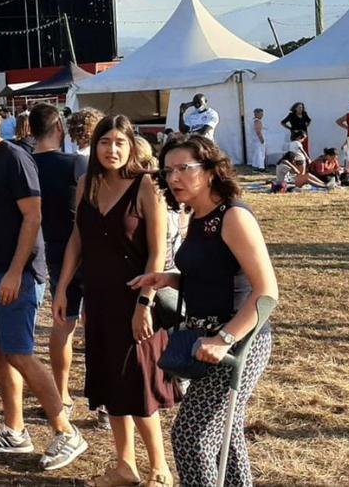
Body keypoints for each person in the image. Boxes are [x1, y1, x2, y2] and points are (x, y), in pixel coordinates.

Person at [131, 135, 279, 487]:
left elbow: (266, 293)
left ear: (211, 171)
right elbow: (214, 274)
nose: (174, 178)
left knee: (191, 437)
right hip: (204, 340)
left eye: (184, 168)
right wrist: (168, 278)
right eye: (168, 170)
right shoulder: (198, 216)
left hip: (239, 341)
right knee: (226, 436)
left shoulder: (233, 216)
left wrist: (224, 339)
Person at [0, 94, 87, 471]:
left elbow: (33, 219)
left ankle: (67, 432)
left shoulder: (16, 159)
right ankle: (14, 430)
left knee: (19, 352)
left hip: (19, 272)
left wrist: (16, 272)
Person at [53, 115, 179, 487]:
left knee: (138, 383)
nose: (112, 150)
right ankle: (125, 465)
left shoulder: (146, 186)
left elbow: (158, 253)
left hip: (136, 298)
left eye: (119, 143)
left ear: (130, 146)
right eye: (105, 142)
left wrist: (144, 302)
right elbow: (77, 238)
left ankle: (159, 469)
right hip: (98, 295)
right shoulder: (85, 184)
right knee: (110, 382)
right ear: (95, 146)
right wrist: (62, 288)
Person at [27, 104, 88, 426]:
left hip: (48, 247)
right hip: (84, 248)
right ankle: (102, 398)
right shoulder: (76, 163)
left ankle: (61, 394)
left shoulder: (25, 165)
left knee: (63, 323)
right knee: (95, 326)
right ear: (60, 130)